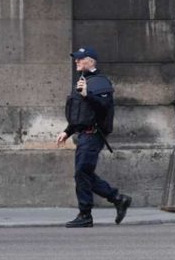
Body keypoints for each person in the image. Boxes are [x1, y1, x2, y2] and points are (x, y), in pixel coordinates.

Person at [56, 46, 132, 228]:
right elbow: (81, 113)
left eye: (80, 58)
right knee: (84, 173)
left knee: (82, 173)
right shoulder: (82, 81)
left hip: (93, 135)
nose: (76, 61)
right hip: (83, 135)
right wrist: (67, 131)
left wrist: (87, 95)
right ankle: (117, 198)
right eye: (76, 58)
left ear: (90, 61)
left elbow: (103, 106)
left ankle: (86, 214)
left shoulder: (99, 82)